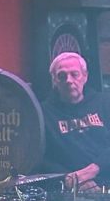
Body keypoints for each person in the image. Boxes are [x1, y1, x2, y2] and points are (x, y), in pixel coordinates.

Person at [41, 52, 110, 190]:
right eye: (62, 76)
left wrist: (93, 170)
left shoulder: (105, 102)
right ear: (54, 80)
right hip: (68, 188)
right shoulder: (43, 112)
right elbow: (40, 158)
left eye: (75, 74)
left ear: (85, 76)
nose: (69, 80)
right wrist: (69, 179)